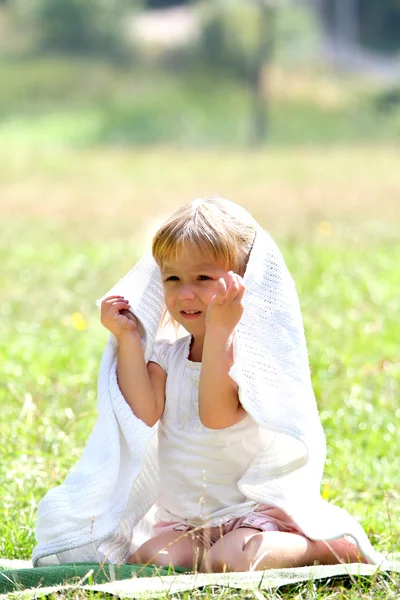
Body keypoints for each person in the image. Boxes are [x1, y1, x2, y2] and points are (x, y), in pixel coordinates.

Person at [33, 197, 383, 571]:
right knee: (150, 557)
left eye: (203, 278)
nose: (186, 293)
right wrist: (129, 339)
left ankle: (325, 548)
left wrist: (220, 330)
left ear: (243, 282)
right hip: (189, 522)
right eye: (172, 278)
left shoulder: (247, 360)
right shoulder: (169, 355)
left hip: (249, 514)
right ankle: (211, 553)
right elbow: (143, 413)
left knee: (238, 557)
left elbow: (215, 415)